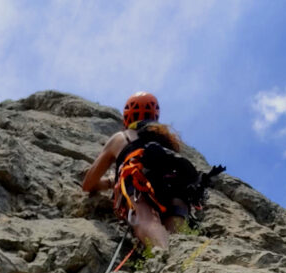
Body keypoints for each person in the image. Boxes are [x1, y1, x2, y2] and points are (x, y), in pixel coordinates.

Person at [82, 92, 199, 251]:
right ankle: (182, 256)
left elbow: (89, 183)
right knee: (176, 222)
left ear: (127, 117)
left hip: (140, 176)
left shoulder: (121, 137)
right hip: (176, 181)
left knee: (146, 219)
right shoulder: (168, 141)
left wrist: (110, 182)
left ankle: (164, 254)